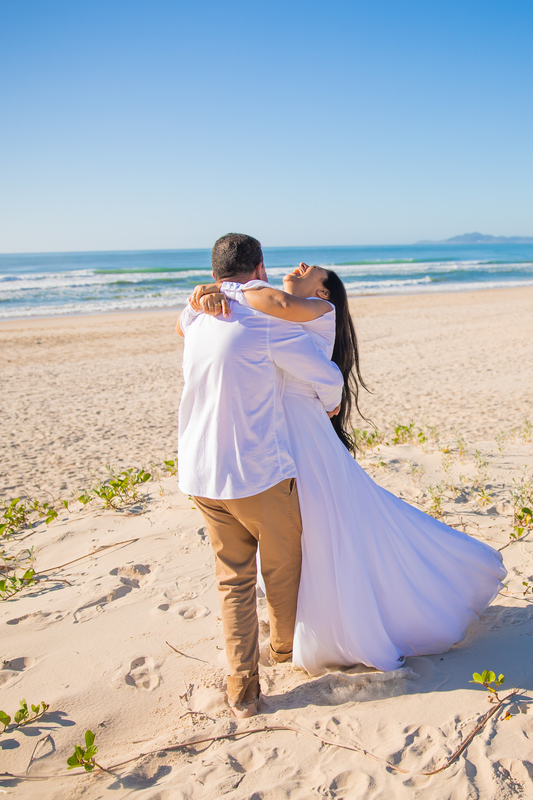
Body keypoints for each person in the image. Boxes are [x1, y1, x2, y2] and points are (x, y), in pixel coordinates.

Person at [190, 263, 506, 677]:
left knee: (319, 530)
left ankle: (323, 625)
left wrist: (325, 399)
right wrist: (207, 291)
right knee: (304, 533)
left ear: (322, 294)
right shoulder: (280, 312)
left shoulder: (314, 312)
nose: (301, 266)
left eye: (313, 271)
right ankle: (298, 623)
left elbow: (323, 370)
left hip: (297, 433)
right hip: (278, 434)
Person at [176, 234, 344, 718]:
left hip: (200, 473)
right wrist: (331, 402)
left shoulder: (197, 314)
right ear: (261, 268)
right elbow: (323, 372)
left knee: (233, 578)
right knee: (282, 567)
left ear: (214, 276)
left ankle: (242, 689)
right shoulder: (264, 321)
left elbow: (182, 325)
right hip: (255, 473)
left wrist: (197, 296)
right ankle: (284, 650)